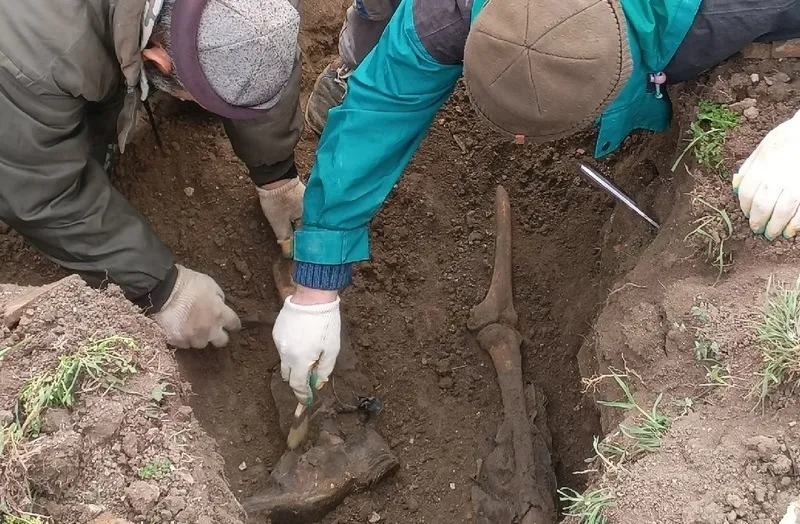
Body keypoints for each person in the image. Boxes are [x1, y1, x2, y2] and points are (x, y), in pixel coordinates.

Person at [273, 0, 800, 405]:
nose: (519, 144)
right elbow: (378, 109)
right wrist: (315, 284)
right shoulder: (448, 10)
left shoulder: (727, 10)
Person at [0, 0, 309, 349]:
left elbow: (257, 48)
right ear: (157, 59)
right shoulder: (34, 61)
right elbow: (42, 189)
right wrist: (159, 289)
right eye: (199, 96)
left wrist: (276, 174)